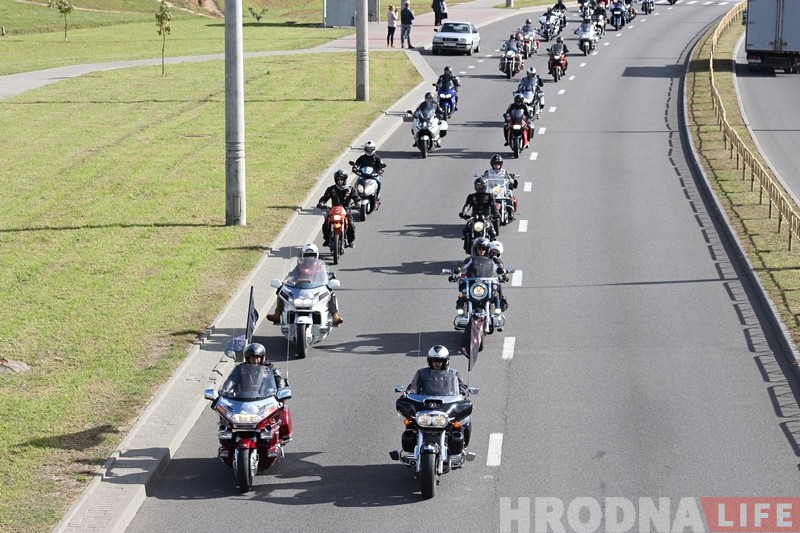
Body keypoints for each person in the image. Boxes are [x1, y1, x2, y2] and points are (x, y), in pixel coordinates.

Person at [405, 345, 471, 446]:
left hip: (446, 406)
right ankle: (411, 444)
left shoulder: (453, 374)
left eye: (440, 361)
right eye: (434, 360)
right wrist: (408, 393)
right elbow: (413, 387)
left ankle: (461, 446)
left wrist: (463, 393)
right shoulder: (422, 373)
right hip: (425, 406)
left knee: (463, 420)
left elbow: (461, 387)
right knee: (411, 421)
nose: (437, 363)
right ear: (429, 361)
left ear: (446, 361)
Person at [266, 243, 343, 326]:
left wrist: (327, 282)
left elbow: (324, 278)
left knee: (331, 294)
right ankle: (277, 315)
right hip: (299, 289)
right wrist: (286, 280)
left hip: (316, 290)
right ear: (303, 256)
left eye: (312, 255)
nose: (310, 258)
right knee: (282, 291)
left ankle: (335, 316)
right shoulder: (300, 266)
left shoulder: (320, 267)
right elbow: (292, 275)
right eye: (307, 255)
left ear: (316, 255)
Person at [450, 237, 509, 313]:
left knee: (496, 291)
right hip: (473, 282)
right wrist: (457, 274)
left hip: (487, 282)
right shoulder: (470, 260)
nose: (481, 251)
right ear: (475, 249)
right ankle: (462, 309)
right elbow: (463, 268)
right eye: (479, 249)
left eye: (484, 249)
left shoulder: (493, 260)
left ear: (487, 249)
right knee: (462, 294)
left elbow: (500, 267)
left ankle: (499, 306)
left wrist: (503, 274)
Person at [219, 342, 287, 396]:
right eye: (252, 358)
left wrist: (280, 390)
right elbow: (232, 379)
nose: (255, 361)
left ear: (262, 358)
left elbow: (278, 379)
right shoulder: (240, 368)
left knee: (282, 408)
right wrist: (225, 390)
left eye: (257, 358)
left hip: (266, 400)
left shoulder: (271, 368)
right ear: (248, 359)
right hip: (242, 400)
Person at [317, 169, 357, 248]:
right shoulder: (331, 189)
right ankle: (327, 239)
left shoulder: (350, 189)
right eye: (338, 179)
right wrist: (321, 203)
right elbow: (324, 198)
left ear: (345, 179)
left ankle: (350, 241)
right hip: (334, 211)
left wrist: (357, 204)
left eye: (342, 179)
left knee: (351, 224)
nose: (340, 181)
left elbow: (357, 198)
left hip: (346, 211)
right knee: (325, 224)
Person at [460, 177, 499, 244]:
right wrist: (463, 213)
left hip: (486, 218)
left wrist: (496, 214)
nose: (479, 188)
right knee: (465, 231)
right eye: (478, 186)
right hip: (474, 218)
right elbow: (467, 205)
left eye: (481, 186)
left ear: (485, 186)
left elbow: (493, 205)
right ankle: (468, 244)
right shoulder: (471, 196)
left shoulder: (490, 196)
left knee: (493, 234)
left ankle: (491, 246)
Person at [353, 140, 387, 206]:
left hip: (373, 175)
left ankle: (377, 197)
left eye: (371, 149)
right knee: (356, 184)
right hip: (363, 175)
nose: (369, 150)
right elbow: (356, 164)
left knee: (379, 183)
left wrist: (380, 170)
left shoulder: (377, 158)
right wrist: (355, 168)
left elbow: (381, 164)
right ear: (365, 149)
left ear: (374, 149)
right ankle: (356, 198)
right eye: (368, 149)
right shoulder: (362, 158)